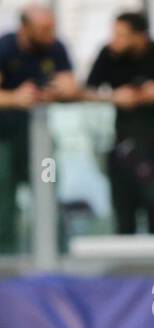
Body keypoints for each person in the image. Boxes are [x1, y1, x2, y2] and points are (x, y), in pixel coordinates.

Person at [85, 11, 154, 235]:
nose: (115, 40)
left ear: (140, 37)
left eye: (121, 35)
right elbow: (86, 91)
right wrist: (115, 97)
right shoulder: (108, 54)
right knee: (124, 219)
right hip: (124, 145)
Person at [0, 4, 77, 253]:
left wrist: (57, 91)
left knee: (49, 189)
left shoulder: (55, 48)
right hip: (5, 142)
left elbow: (69, 85)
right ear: (25, 28)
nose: (50, 34)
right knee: (4, 201)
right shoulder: (5, 48)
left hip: (42, 142)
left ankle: (57, 252)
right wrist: (15, 98)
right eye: (44, 29)